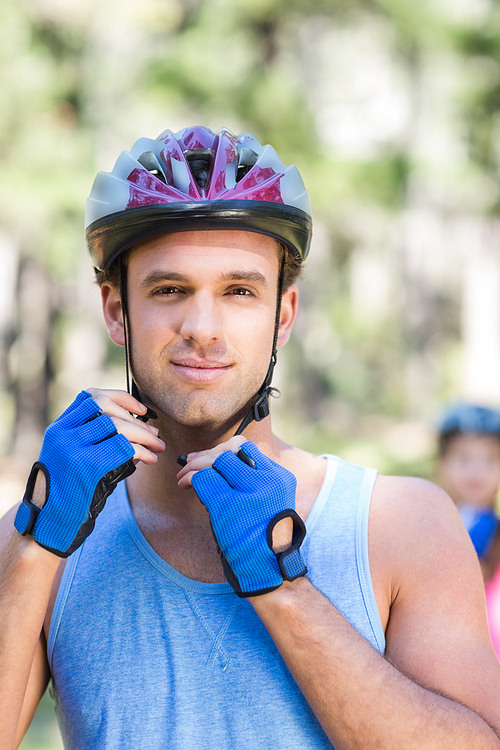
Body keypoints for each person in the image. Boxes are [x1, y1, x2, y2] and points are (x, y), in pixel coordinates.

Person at [1, 126, 500, 750]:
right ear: (115, 310)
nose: (203, 328)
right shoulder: (38, 536)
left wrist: (284, 585)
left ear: (283, 314)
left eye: (239, 291)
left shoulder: (404, 524)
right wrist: (37, 544)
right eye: (169, 290)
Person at [437, 403, 500, 659]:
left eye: (490, 460)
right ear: (442, 465)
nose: (477, 471)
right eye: (464, 459)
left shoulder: (493, 529)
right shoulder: (429, 522)